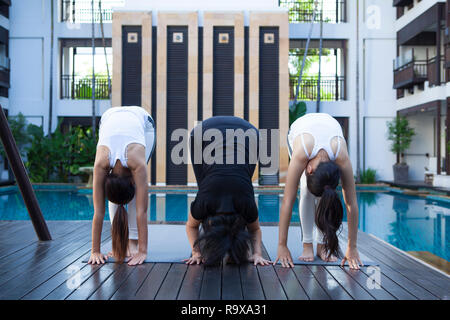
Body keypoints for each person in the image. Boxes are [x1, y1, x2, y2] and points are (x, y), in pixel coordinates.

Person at [275, 113, 362, 269]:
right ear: (308, 169)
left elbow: (351, 204)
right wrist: (282, 245)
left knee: (325, 193)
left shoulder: (341, 157)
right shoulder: (301, 153)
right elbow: (288, 201)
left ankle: (322, 246)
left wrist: (352, 247)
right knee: (306, 191)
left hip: (330, 128)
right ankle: (307, 245)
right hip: (300, 129)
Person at [185, 116, 271, 266]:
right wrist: (196, 253)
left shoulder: (238, 202)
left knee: (239, 175)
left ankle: (229, 248)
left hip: (248, 133)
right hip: (241, 132)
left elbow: (191, 225)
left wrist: (257, 254)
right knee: (205, 182)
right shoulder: (211, 200)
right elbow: (255, 229)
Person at [88, 106, 156, 266]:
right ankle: (120, 243)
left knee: (138, 191)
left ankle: (132, 241)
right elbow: (98, 212)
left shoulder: (137, 164)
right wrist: (94, 251)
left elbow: (142, 211)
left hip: (143, 122)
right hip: (108, 117)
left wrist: (142, 251)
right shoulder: (100, 165)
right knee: (116, 189)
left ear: (132, 181)